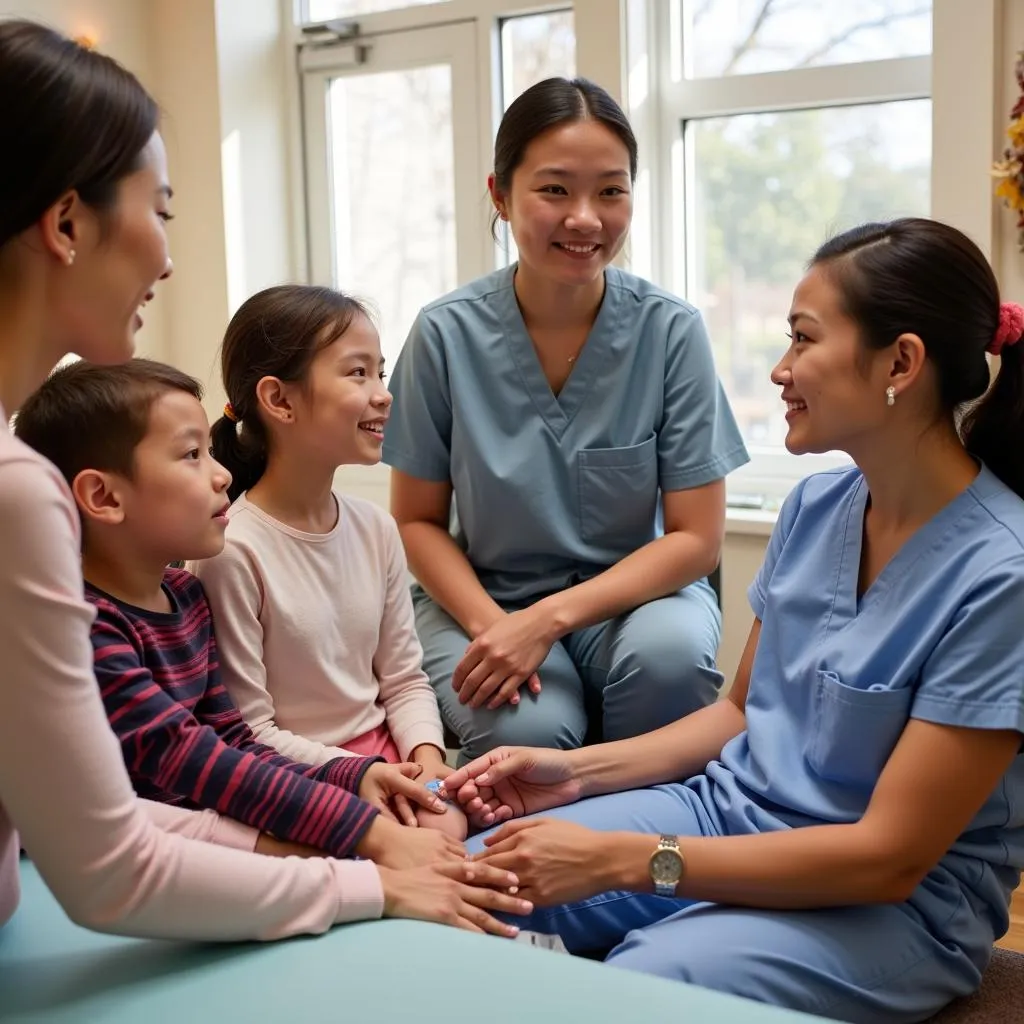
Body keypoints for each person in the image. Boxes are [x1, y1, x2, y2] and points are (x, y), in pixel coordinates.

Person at [0, 18, 526, 940]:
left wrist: (377, 790)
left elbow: (198, 758)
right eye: (159, 210)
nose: (168, 256)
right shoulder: (22, 496)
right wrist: (370, 870)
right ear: (69, 223)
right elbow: (115, 860)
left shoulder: (350, 530)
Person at [445, 218, 1024, 1023]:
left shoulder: (1004, 575)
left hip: (891, 902)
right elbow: (737, 714)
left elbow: (886, 859)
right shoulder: (818, 507)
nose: (781, 370)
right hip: (727, 813)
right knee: (463, 878)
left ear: (901, 362)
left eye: (803, 340)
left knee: (643, 986)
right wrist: (574, 775)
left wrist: (625, 862)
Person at [383, 77, 749, 764]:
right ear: (500, 194)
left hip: (637, 602)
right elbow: (417, 521)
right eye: (555, 189)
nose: (586, 218)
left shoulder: (671, 333)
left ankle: (644, 861)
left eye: (611, 190)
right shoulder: (443, 335)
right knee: (524, 729)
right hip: (486, 601)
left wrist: (549, 621)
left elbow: (697, 538)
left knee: (667, 667)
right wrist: (499, 629)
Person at [15, 357, 465, 853]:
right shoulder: (84, 626)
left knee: (438, 825)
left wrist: (352, 777)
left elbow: (232, 739)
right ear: (103, 496)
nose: (222, 475)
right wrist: (355, 837)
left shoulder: (183, 595)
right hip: (136, 849)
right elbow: (188, 759)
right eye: (191, 455)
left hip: (201, 820)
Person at [192, 286, 466, 841]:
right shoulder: (232, 550)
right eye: (358, 374)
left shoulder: (376, 528)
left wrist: (429, 758)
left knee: (467, 821)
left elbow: (405, 679)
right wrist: (362, 773)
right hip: (299, 779)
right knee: (432, 847)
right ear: (280, 400)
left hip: (391, 764)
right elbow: (249, 730)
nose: (384, 395)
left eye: (381, 373)